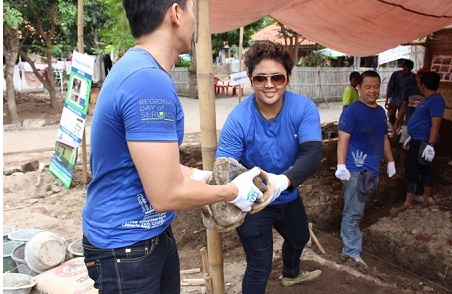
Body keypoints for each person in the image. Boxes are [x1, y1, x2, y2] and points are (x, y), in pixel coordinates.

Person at [81, 1, 263, 293]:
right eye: (192, 10)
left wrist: (199, 176)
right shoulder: (147, 81)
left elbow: (146, 163)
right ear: (176, 13)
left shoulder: (137, 68)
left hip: (146, 237)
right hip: (127, 248)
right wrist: (232, 192)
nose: (194, 20)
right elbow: (165, 194)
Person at [216, 40, 323, 294]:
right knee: (259, 265)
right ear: (251, 80)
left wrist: (281, 183)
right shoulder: (238, 120)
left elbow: (312, 153)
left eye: (277, 77)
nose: (269, 85)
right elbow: (223, 168)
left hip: (287, 193)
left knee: (300, 239)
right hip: (254, 204)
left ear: (288, 77)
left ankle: (291, 274)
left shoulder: (303, 108)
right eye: (260, 78)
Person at [335, 70, 396, 266]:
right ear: (358, 87)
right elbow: (343, 139)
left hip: (373, 170)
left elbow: (384, 138)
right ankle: (351, 251)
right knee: (353, 211)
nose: (372, 91)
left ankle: (351, 232)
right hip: (356, 170)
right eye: (368, 87)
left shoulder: (380, 112)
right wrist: (341, 165)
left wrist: (391, 161)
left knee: (358, 207)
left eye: (376, 87)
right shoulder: (352, 111)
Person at [396, 71, 446, 210]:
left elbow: (436, 124)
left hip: (423, 142)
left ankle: (408, 202)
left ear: (423, 85)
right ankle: (426, 196)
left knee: (412, 170)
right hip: (418, 139)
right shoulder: (428, 99)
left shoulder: (436, 100)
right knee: (424, 168)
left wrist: (430, 145)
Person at [391, 68, 428, 177]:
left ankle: (418, 171)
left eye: (423, 77)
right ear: (416, 77)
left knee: (418, 149)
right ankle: (403, 168)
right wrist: (397, 121)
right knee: (404, 146)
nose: (420, 79)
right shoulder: (410, 90)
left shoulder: (428, 93)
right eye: (419, 76)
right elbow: (404, 106)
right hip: (408, 124)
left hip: (422, 126)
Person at [385, 59, 417, 127]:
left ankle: (398, 130)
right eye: (405, 69)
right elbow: (389, 87)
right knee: (390, 114)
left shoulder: (413, 77)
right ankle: (394, 126)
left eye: (408, 70)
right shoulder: (395, 75)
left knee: (401, 117)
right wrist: (386, 100)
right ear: (402, 67)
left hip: (405, 100)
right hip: (394, 98)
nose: (406, 72)